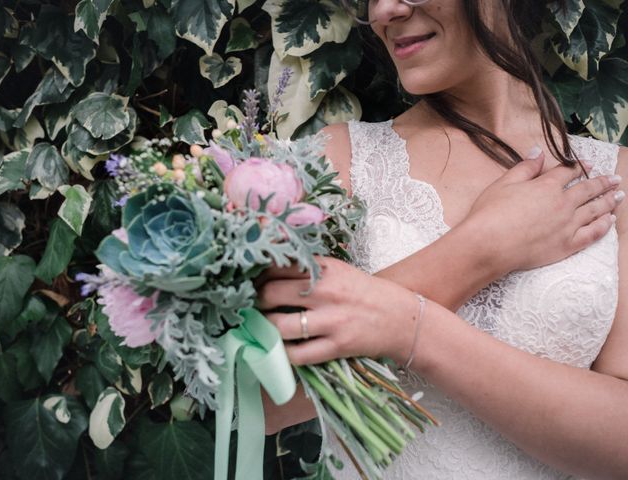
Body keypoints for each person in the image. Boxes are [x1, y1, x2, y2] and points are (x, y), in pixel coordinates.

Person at [261, 0, 628, 478]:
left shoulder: (615, 181)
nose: (385, 11)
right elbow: (266, 397)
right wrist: (480, 248)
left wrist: (414, 329)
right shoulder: (331, 163)